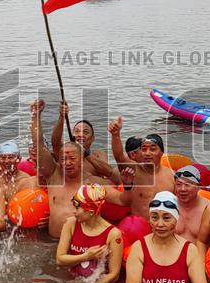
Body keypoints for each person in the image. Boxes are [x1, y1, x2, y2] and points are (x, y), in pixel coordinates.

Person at [32, 100, 130, 238]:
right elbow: (41, 144)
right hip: (52, 240)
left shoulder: (93, 180)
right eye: (64, 159)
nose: (67, 163)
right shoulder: (54, 174)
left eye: (72, 159)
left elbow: (122, 199)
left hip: (82, 243)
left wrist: (128, 185)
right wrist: (36, 115)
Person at [55, 184, 123, 283]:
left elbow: (114, 275)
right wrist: (86, 256)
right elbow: (60, 259)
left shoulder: (113, 234)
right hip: (70, 281)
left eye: (77, 208)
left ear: (91, 211)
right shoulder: (70, 224)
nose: (74, 212)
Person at [108, 119, 174, 217]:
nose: (147, 153)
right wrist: (115, 135)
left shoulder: (172, 176)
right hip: (139, 226)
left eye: (152, 149)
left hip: (162, 227)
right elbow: (119, 157)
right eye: (144, 149)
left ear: (161, 153)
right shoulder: (135, 170)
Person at [50, 103, 118, 182]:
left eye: (85, 132)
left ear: (92, 138)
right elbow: (55, 142)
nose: (80, 135)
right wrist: (62, 117)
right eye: (77, 131)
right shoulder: (65, 152)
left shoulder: (99, 154)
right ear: (72, 136)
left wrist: (86, 153)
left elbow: (109, 172)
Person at [172, 165, 210, 253]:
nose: (183, 189)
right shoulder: (169, 205)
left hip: (200, 259)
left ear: (198, 187)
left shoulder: (209, 208)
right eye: (179, 184)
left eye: (188, 185)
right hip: (173, 259)